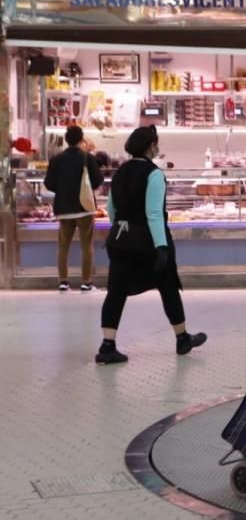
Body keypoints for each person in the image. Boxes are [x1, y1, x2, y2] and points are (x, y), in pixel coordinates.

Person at [95, 126, 207, 365]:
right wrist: (162, 246)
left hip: (120, 240)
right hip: (146, 241)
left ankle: (107, 345)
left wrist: (121, 229)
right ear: (150, 147)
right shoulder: (154, 174)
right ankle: (182, 338)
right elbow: (154, 213)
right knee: (168, 286)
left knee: (115, 291)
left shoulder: (119, 172)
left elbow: (112, 209)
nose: (157, 147)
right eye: (156, 143)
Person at [44, 126, 104, 292]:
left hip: (64, 209)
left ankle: (63, 282)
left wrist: (63, 190)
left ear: (66, 139)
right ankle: (86, 283)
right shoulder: (87, 158)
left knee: (63, 246)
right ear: (81, 139)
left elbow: (48, 183)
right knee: (87, 246)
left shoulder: (56, 159)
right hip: (84, 208)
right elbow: (98, 180)